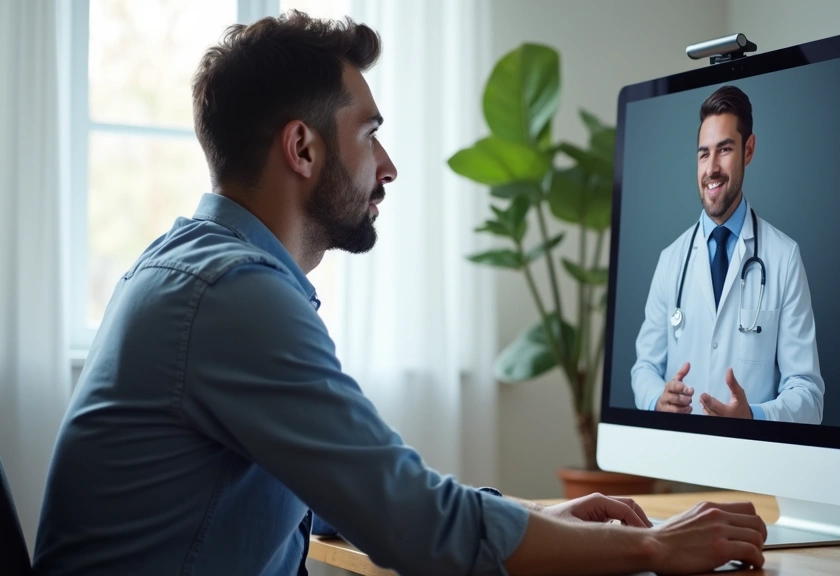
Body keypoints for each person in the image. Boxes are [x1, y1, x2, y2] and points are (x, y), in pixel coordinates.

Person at [33, 12, 767, 575]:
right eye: (370, 133)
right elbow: (412, 522)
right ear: (303, 148)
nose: (387, 166)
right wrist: (656, 550)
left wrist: (550, 516)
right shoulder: (231, 296)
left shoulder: (195, 271)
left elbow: (352, 495)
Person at [630, 85, 825, 424]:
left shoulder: (784, 257)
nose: (712, 168)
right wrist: (656, 400)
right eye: (704, 154)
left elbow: (808, 393)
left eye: (725, 150)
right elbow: (644, 367)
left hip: (751, 465)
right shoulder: (671, 260)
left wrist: (755, 416)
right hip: (681, 462)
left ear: (748, 150)